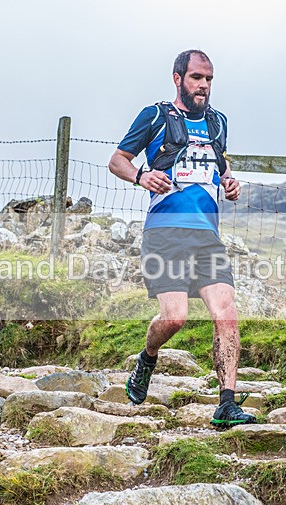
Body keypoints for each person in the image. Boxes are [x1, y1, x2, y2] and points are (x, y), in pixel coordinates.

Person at [108, 49, 256, 428]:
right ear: (178, 79)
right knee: (174, 318)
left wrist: (230, 182)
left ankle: (226, 403)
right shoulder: (155, 116)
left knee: (226, 313)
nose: (203, 86)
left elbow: (219, 167)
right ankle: (148, 356)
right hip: (165, 234)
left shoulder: (218, 122)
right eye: (196, 78)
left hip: (207, 236)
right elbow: (118, 160)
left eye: (208, 79)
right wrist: (141, 176)